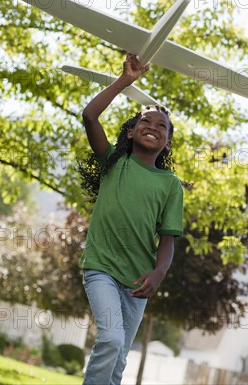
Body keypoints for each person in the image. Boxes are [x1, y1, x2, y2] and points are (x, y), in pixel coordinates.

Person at [78, 53, 184, 385]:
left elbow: (167, 240)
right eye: (145, 122)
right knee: (110, 340)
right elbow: (90, 116)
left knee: (119, 358)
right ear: (130, 131)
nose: (152, 127)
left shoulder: (170, 184)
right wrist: (125, 81)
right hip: (102, 269)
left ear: (166, 141)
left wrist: (159, 272)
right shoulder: (114, 162)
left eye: (161, 126)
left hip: (137, 282)